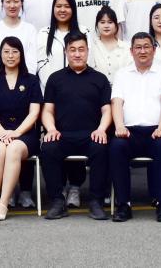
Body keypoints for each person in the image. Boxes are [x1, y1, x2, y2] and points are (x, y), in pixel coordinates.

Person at [39, 32, 114, 220]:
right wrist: (51, 129)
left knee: (101, 147)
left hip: (91, 134)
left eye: (81, 49)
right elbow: (47, 110)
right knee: (48, 148)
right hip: (62, 134)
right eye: (72, 50)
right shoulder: (55, 79)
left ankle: (96, 201)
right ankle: (57, 201)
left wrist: (101, 129)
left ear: (88, 51)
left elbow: (107, 110)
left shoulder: (100, 79)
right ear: (66, 52)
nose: (77, 54)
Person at [109, 32, 161, 222]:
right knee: (116, 146)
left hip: (157, 130)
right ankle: (124, 204)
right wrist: (119, 126)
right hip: (129, 131)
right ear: (131, 51)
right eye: (138, 47)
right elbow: (116, 102)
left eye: (146, 46)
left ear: (154, 50)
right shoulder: (122, 74)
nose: (142, 51)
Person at [0, 36, 40, 220]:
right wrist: (2, 132)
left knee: (13, 149)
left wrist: (17, 132)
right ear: (1, 55)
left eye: (14, 51)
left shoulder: (31, 80)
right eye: (6, 52)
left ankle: (3, 203)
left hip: (25, 133)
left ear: (21, 54)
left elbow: (34, 113)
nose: (10, 56)